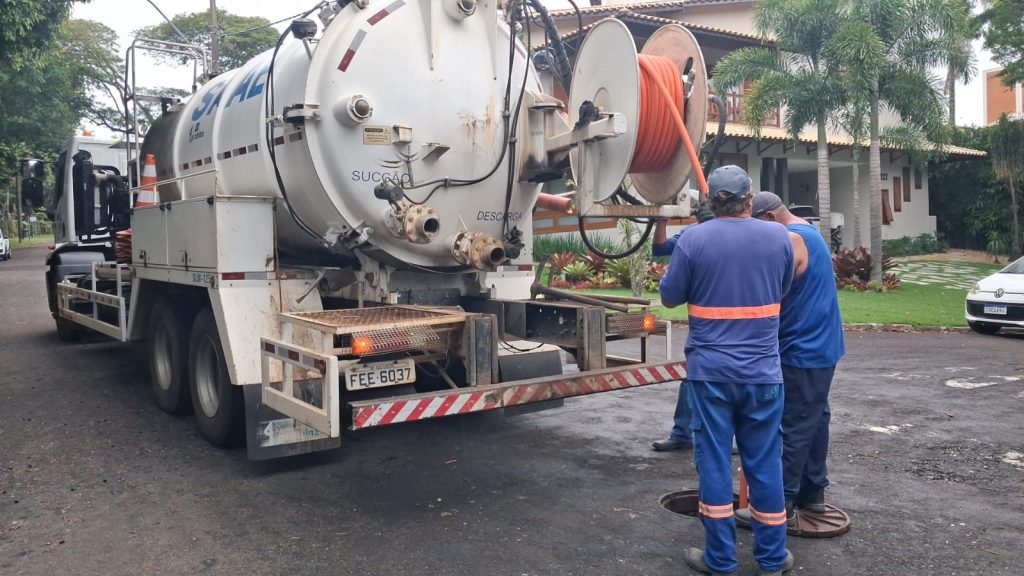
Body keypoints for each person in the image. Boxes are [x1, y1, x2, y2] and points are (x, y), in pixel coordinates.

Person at [659, 166, 794, 576]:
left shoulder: (693, 240)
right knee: (765, 463)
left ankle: (720, 560)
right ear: (749, 198)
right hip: (763, 374)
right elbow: (783, 288)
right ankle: (773, 559)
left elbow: (669, 297)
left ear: (710, 202)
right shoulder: (778, 237)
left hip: (711, 374)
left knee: (715, 463)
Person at [739, 191, 845, 524]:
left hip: (802, 349)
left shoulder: (791, 239)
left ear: (770, 218)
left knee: (793, 426)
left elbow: (770, 290)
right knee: (815, 418)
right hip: (821, 346)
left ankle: (776, 506)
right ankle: (813, 494)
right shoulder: (808, 232)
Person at [650, 200, 714, 452]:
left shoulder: (741, 236)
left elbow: (669, 296)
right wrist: (662, 219)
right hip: (707, 327)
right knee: (692, 377)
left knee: (724, 382)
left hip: (727, 329)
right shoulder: (691, 235)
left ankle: (725, 437)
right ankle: (682, 433)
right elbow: (661, 248)